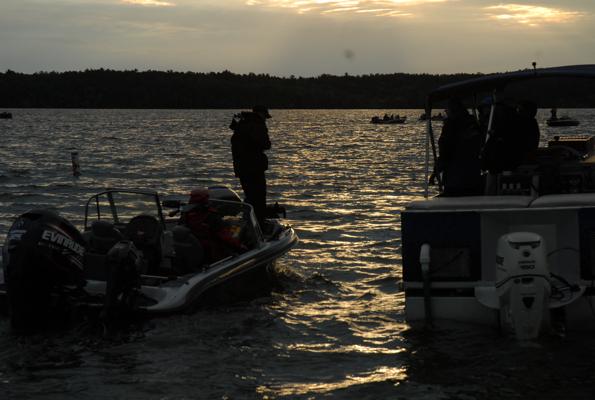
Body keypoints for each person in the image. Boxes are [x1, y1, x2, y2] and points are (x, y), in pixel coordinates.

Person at [229, 105, 272, 224]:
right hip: (255, 168)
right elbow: (266, 144)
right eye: (265, 116)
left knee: (249, 195)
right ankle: (259, 223)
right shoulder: (257, 125)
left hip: (241, 168)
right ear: (261, 114)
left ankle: (249, 221)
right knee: (259, 197)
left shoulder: (241, 123)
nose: (265, 119)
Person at [437, 98, 483, 196]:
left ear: (452, 110)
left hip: (455, 173)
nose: (446, 111)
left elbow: (445, 149)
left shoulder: (451, 125)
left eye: (447, 109)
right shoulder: (472, 123)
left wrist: (440, 165)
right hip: (473, 172)